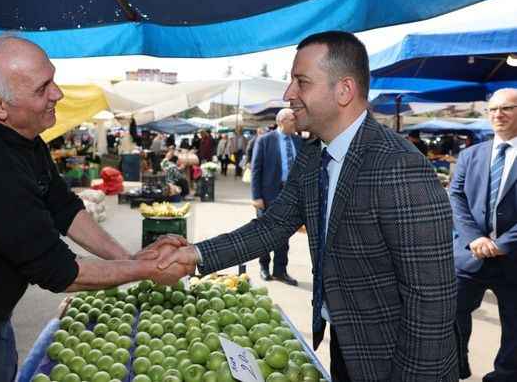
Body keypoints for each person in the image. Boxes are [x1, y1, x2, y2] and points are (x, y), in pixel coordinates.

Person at [156, 31, 458, 382]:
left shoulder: (398, 166)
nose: (288, 94)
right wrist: (194, 254)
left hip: (395, 358)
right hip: (345, 342)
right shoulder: (313, 155)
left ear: (344, 90)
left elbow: (431, 299)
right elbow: (271, 226)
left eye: (301, 82)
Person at [0, 34, 188, 382]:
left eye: (53, 79)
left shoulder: (22, 141)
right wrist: (147, 270)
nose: (58, 94)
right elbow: (61, 272)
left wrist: (126, 258)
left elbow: (64, 208)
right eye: (42, 88)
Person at [449, 88, 517, 382]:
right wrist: (474, 238)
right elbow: (456, 196)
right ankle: (454, 367)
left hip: (513, 258)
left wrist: (503, 244)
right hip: (470, 254)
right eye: (492, 109)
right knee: (450, 313)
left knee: (515, 325)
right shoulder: (470, 155)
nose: (498, 115)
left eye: (507, 108)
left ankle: (505, 375)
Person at [251, 108, 302, 285]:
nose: (295, 124)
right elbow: (256, 170)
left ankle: (280, 270)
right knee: (265, 233)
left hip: (290, 195)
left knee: (284, 234)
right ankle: (264, 267)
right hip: (268, 194)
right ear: (281, 121)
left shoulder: (298, 141)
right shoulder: (265, 140)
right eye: (291, 121)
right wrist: (256, 196)